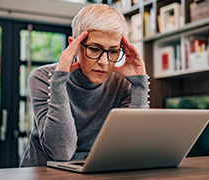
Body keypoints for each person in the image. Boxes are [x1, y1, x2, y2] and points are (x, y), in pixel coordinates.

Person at [20, 4, 149, 167]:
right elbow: (62, 152)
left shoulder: (122, 84)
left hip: (96, 171)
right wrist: (59, 81)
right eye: (94, 49)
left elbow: (132, 148)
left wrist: (139, 85)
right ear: (73, 45)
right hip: (45, 173)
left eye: (114, 51)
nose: (103, 62)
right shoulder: (43, 77)